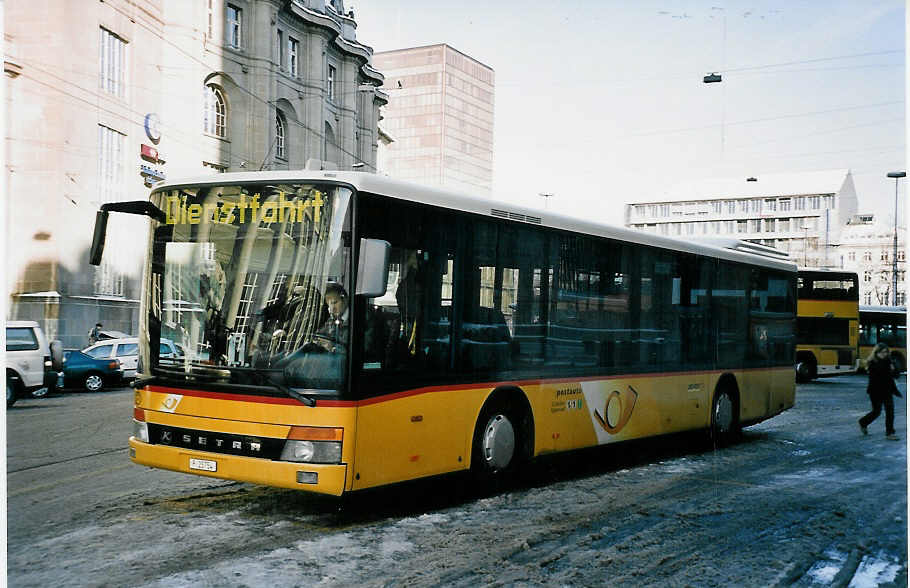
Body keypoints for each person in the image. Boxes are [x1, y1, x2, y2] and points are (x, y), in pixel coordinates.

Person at [859, 342, 902, 440]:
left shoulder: (889, 362)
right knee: (876, 412)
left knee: (890, 411)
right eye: (882, 352)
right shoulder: (872, 363)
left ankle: (890, 433)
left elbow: (896, 376)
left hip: (887, 390)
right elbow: (877, 377)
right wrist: (889, 370)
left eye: (886, 352)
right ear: (876, 353)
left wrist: (894, 369)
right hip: (875, 391)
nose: (884, 354)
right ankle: (863, 422)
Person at [315, 282, 349, 352]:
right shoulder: (331, 319)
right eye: (329, 305)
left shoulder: (361, 318)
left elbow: (362, 350)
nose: (332, 308)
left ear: (345, 300)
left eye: (334, 302)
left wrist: (333, 347)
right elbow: (320, 334)